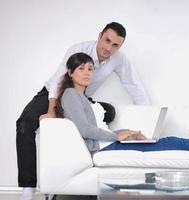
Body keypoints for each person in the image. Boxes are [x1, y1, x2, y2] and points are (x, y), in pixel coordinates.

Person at [17, 22, 150, 200]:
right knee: (24, 124)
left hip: (81, 97)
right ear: (100, 35)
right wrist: (51, 111)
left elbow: (134, 86)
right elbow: (58, 81)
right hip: (54, 94)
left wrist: (149, 114)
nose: (108, 48)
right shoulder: (79, 49)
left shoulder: (119, 59)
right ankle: (28, 188)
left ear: (121, 46)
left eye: (115, 45)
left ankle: (91, 149)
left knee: (109, 111)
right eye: (106, 41)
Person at [56, 52, 189, 156]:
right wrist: (117, 135)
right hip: (105, 148)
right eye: (81, 69)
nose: (87, 72)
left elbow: (98, 126)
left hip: (110, 143)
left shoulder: (84, 97)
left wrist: (128, 132)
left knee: (167, 142)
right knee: (172, 142)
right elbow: (85, 129)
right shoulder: (71, 95)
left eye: (90, 68)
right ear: (71, 72)